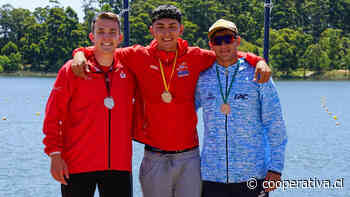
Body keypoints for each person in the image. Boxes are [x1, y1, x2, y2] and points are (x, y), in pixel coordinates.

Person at [71, 5, 271, 197]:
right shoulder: (137, 55)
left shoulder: (196, 56)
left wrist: (258, 60)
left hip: (189, 158)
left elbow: (228, 53)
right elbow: (104, 48)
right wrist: (79, 53)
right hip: (154, 157)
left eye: (172, 27)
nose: (166, 33)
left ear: (180, 29)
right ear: (151, 30)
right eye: (160, 27)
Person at [42, 12, 134, 197]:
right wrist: (54, 154)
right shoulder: (72, 70)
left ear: (120, 37)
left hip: (119, 165)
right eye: (101, 31)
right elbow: (53, 116)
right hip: (77, 164)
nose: (107, 37)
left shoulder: (130, 69)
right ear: (92, 36)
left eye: (112, 32)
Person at [195, 19, 288, 197]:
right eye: (217, 41)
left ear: (237, 40)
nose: (223, 45)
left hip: (253, 174)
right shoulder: (202, 77)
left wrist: (276, 168)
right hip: (212, 176)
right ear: (211, 45)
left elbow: (275, 123)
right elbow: (183, 111)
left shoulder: (258, 74)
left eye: (228, 39)